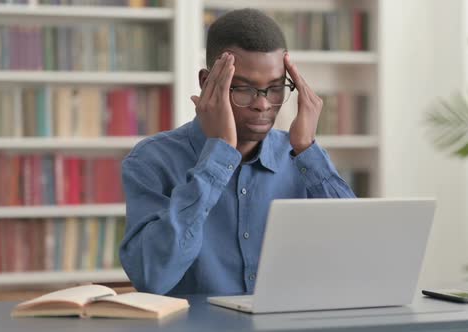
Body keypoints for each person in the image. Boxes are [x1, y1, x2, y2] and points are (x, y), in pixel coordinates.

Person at [119, 8, 355, 296]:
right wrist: (219, 157)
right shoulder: (151, 160)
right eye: (243, 88)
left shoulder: (300, 157)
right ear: (208, 83)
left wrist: (307, 148)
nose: (263, 105)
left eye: (276, 87)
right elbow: (152, 277)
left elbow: (357, 260)